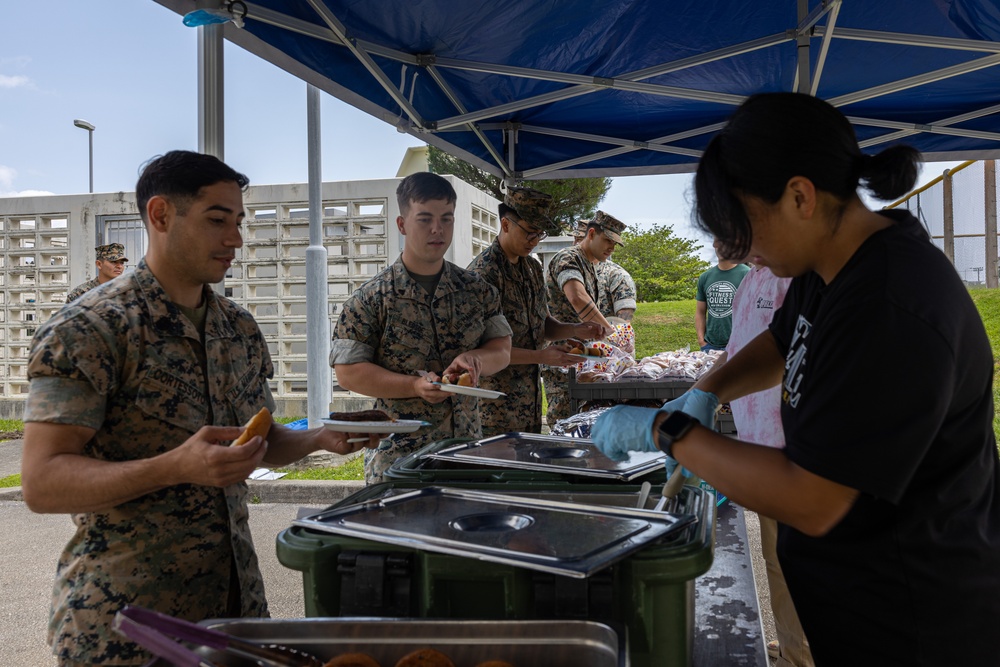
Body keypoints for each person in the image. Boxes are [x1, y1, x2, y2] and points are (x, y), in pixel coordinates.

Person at [590, 92, 1000, 666]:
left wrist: (670, 430)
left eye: (745, 225)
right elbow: (782, 339)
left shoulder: (891, 302)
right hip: (856, 602)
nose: (748, 251)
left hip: (915, 622)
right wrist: (709, 390)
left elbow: (812, 498)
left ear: (799, 196)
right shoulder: (832, 266)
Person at [20, 150, 382, 667]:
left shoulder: (237, 328)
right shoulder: (91, 329)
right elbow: (42, 481)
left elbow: (258, 441)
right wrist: (175, 467)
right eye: (217, 220)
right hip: (128, 627)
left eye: (238, 222)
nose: (235, 239)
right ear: (161, 215)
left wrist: (320, 436)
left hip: (233, 616)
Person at [332, 172, 512, 482]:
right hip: (399, 463)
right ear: (402, 224)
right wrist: (413, 386)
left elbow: (502, 349)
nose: (437, 229)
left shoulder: (478, 291)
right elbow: (348, 371)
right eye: (425, 219)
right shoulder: (372, 298)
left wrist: (476, 360)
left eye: (446, 219)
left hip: (465, 455)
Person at [715, 263, 812, 667]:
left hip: (790, 446)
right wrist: (701, 393)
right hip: (758, 444)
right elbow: (738, 348)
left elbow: (785, 354)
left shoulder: (798, 276)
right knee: (776, 560)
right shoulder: (752, 278)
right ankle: (792, 645)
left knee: (800, 562)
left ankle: (801, 654)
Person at [467, 187, 605, 436]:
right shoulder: (483, 274)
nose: (534, 241)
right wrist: (542, 356)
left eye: (539, 234)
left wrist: (574, 329)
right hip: (494, 408)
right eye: (530, 232)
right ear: (506, 224)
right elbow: (482, 350)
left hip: (528, 403)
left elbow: (542, 324)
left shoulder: (530, 267)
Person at [542, 211, 621, 420]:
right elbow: (577, 297)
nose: (611, 248)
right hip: (563, 363)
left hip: (583, 361)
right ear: (592, 233)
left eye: (615, 244)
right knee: (564, 428)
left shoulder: (591, 265)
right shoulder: (568, 258)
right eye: (607, 241)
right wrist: (612, 336)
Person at [695, 238, 749, 350]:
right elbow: (700, 311)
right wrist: (701, 340)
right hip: (709, 346)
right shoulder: (705, 277)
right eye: (718, 242)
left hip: (738, 346)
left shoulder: (747, 274)